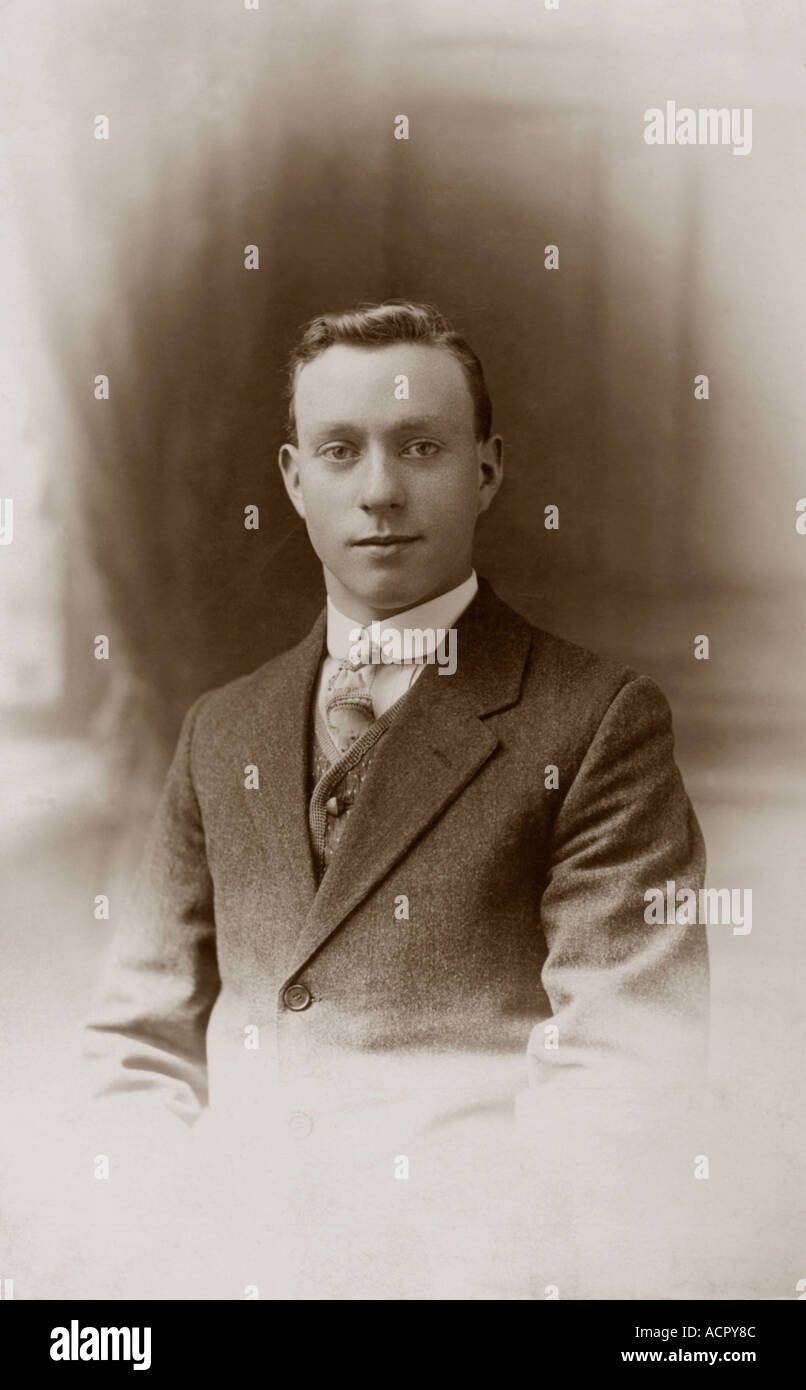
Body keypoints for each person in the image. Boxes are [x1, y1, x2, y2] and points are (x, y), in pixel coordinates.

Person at [82, 300, 710, 1299]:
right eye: (339, 451)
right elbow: (139, 1043)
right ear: (293, 480)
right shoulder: (221, 730)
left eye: (420, 446)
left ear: (485, 471)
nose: (379, 491)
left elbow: (624, 1068)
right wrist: (160, 1253)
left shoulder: (593, 723)